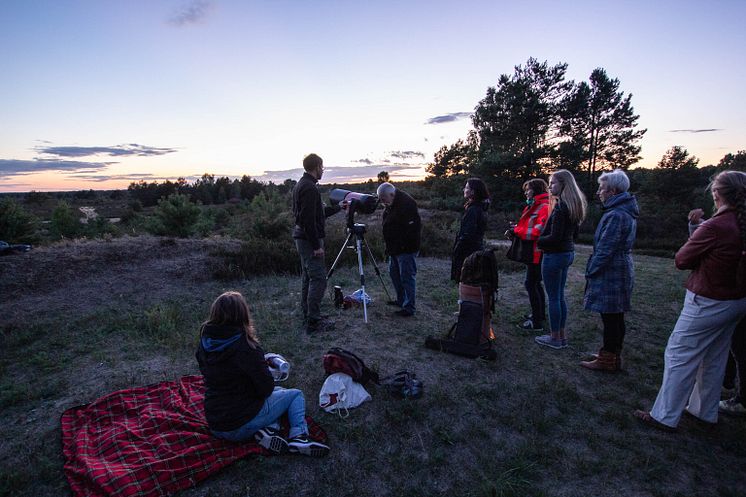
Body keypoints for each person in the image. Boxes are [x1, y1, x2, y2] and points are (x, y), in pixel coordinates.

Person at [634, 170, 746, 431]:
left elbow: (682, 259)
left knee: (679, 354)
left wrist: (697, 229)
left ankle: (664, 415)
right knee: (714, 357)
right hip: (737, 301)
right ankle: (703, 411)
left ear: (717, 193)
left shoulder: (716, 226)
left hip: (709, 300)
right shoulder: (739, 223)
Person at [196, 291, 329, 456]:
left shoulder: (205, 344)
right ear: (242, 315)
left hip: (215, 422)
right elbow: (265, 389)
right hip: (238, 425)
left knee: (279, 394)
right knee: (294, 395)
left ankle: (269, 431)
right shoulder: (246, 347)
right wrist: (266, 370)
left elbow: (225, 372)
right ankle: (299, 437)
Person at [580, 169, 639, 371]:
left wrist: (591, 270)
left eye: (602, 188)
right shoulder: (624, 211)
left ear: (612, 191)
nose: (598, 192)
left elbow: (606, 249)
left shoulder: (616, 215)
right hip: (619, 267)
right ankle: (612, 355)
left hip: (613, 271)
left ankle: (608, 359)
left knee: (611, 317)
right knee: (615, 316)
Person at [535, 169, 587, 349]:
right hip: (567, 253)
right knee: (559, 297)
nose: (550, 187)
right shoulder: (574, 205)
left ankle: (555, 338)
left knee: (554, 298)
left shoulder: (561, 207)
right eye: (549, 183)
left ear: (564, 184)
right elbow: (574, 236)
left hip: (555, 256)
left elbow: (554, 237)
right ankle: (561, 336)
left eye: (553, 183)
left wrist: (537, 239)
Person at [292, 153, 340, 334]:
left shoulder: (301, 185)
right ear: (317, 166)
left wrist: (338, 207)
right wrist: (316, 246)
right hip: (308, 240)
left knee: (308, 277)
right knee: (319, 278)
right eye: (322, 167)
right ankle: (313, 321)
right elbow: (308, 220)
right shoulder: (310, 188)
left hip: (302, 238)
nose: (323, 170)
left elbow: (316, 214)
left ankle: (308, 314)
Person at [507, 178, 550, 332]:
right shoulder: (534, 205)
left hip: (537, 253)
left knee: (531, 284)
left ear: (536, 190)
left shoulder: (543, 207)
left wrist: (516, 231)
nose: (525, 192)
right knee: (535, 283)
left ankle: (536, 322)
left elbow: (537, 232)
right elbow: (528, 227)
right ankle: (539, 315)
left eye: (528, 189)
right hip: (532, 252)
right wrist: (516, 229)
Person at [376, 182, 421, 317]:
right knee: (394, 274)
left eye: (384, 200)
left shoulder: (407, 204)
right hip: (394, 249)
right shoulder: (391, 202)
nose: (383, 203)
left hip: (406, 249)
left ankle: (409, 308)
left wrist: (401, 247)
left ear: (392, 194)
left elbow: (412, 230)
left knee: (407, 277)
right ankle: (401, 300)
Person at [451, 178, 490, 282]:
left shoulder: (473, 209)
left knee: (465, 279)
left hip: (468, 251)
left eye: (467, 187)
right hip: (475, 249)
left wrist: (458, 249)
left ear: (473, 191)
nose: (464, 189)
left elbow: (468, 234)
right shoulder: (480, 207)